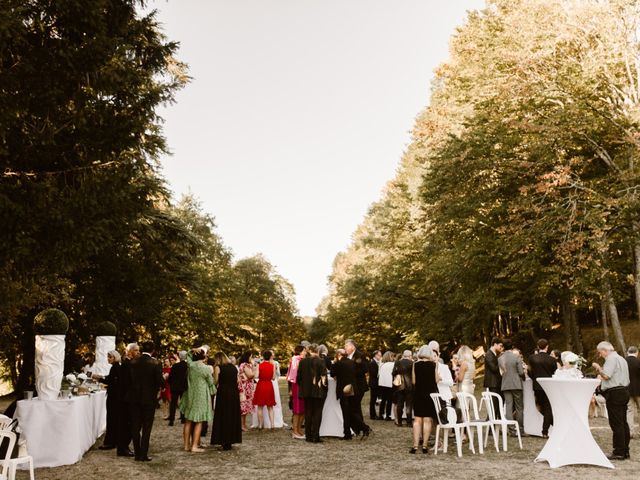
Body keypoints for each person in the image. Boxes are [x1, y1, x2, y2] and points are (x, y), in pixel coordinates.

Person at [592, 341, 631, 460]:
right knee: (623, 423)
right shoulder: (621, 359)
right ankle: (625, 450)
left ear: (604, 350)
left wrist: (598, 368)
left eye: (600, 353)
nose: (600, 355)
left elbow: (606, 376)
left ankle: (618, 452)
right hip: (624, 391)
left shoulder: (611, 359)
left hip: (615, 393)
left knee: (616, 423)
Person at [127, 340, 164, 462]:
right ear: (153, 350)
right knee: (147, 427)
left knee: (135, 426)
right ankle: (143, 453)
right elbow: (160, 381)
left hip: (134, 398)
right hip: (149, 399)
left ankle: (137, 453)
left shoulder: (133, 362)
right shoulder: (155, 363)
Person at [179, 348, 215, 452]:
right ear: (204, 357)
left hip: (190, 394)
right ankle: (194, 446)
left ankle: (186, 446)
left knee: (188, 421)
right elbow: (210, 382)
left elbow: (188, 356)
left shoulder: (191, 366)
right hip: (201, 395)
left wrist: (192, 350)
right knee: (199, 421)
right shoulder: (206, 368)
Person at [410, 345, 440, 454]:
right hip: (429, 395)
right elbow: (436, 380)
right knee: (427, 420)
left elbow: (414, 381)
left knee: (417, 420)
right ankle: (425, 445)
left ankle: (414, 445)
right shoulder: (434, 365)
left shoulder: (415, 365)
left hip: (418, 394)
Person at [331, 348, 366, 440]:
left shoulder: (338, 363)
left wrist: (334, 364)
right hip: (353, 389)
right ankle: (363, 428)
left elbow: (332, 373)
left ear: (338, 355)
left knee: (346, 412)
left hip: (344, 390)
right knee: (353, 411)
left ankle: (349, 433)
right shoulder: (352, 362)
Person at [296, 344, 328, 443]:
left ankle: (308, 436)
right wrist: (325, 389)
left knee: (308, 413)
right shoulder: (321, 361)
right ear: (318, 351)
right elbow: (324, 378)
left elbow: (299, 378)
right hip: (318, 392)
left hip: (306, 391)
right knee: (317, 413)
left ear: (309, 351)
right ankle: (316, 436)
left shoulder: (303, 362)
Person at [211, 351, 242, 450]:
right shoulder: (233, 367)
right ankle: (231, 439)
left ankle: (223, 439)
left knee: (223, 415)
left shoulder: (218, 368)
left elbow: (215, 381)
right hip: (233, 392)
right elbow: (237, 380)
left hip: (223, 393)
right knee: (232, 415)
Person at [92, 350, 122, 451]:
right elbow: (111, 378)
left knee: (111, 419)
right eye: (108, 357)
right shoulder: (116, 367)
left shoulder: (116, 367)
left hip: (114, 397)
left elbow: (110, 380)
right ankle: (115, 441)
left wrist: (99, 378)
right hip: (116, 397)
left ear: (115, 357)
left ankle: (110, 442)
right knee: (114, 419)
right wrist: (101, 377)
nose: (108, 359)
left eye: (110, 357)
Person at [528, 338, 557, 437]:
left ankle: (548, 427)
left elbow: (530, 371)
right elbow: (554, 373)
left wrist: (535, 379)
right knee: (548, 407)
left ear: (537, 347)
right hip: (549, 386)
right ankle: (546, 430)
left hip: (537, 386)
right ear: (547, 347)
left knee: (541, 407)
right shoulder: (552, 360)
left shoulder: (532, 358)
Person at [498, 339, 524, 434]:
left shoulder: (500, 358)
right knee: (519, 407)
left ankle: (511, 430)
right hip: (516, 384)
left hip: (505, 384)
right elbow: (521, 372)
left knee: (508, 406)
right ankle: (520, 429)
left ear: (503, 347)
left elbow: (501, 372)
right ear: (512, 347)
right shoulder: (516, 356)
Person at [345, 339, 370, 436]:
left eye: (346, 346)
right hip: (352, 386)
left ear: (352, 347)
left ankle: (364, 428)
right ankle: (359, 428)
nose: (345, 348)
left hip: (359, 386)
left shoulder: (360, 355)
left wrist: (351, 372)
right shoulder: (347, 356)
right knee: (356, 407)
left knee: (353, 407)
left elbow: (364, 369)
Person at [253, 350, 277, 429]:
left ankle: (260, 425)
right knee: (270, 407)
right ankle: (272, 425)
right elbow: (273, 378)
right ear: (270, 357)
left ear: (263, 357)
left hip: (261, 385)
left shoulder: (259, 365)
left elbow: (256, 376)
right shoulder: (273, 365)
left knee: (260, 407)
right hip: (269, 385)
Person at [287, 345, 306, 439]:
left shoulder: (301, 360)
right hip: (297, 385)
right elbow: (293, 374)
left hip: (303, 386)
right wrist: (290, 389)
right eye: (304, 351)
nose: (305, 352)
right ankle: (295, 431)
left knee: (303, 409)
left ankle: (299, 429)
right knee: (297, 410)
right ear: (300, 351)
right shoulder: (295, 360)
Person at [392, 350, 414, 427]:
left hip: (400, 386)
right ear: (410, 355)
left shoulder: (397, 362)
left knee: (400, 404)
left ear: (403, 355)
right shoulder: (412, 363)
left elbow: (393, 373)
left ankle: (400, 422)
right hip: (409, 386)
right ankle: (409, 422)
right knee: (409, 405)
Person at [484, 337, 504, 419]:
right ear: (495, 344)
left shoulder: (494, 354)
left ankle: (496, 426)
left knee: (498, 405)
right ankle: (490, 427)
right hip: (493, 384)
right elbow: (494, 368)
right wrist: (501, 359)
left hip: (496, 383)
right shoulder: (489, 354)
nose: (501, 348)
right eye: (500, 345)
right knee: (494, 406)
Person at [237, 351, 257, 432]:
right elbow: (250, 375)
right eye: (251, 357)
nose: (252, 358)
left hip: (247, 387)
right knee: (243, 407)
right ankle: (242, 425)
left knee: (246, 407)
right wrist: (255, 368)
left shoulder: (246, 365)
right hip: (245, 388)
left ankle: (244, 424)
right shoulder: (244, 365)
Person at [167, 351, 188, 426]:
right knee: (183, 403)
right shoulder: (187, 366)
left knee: (173, 404)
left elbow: (170, 377)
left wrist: (171, 384)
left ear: (179, 356)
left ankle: (171, 420)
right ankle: (183, 419)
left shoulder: (175, 366)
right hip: (184, 387)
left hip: (175, 387)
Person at [626, 346, 640, 438]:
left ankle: (630, 432)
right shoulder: (639, 362)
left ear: (627, 352)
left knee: (629, 411)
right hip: (639, 390)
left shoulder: (623, 362)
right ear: (637, 352)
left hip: (627, 389)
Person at [377, 351, 395, 420]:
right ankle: (388, 415)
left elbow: (378, 375)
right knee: (389, 400)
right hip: (389, 384)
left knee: (383, 400)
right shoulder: (392, 364)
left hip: (382, 384)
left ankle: (381, 414)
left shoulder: (381, 364)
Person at [368, 350, 382, 420]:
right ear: (375, 355)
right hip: (374, 384)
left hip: (376, 383)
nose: (380, 356)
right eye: (379, 355)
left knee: (374, 400)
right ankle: (372, 415)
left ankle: (374, 414)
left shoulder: (376, 363)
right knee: (373, 400)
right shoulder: (372, 363)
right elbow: (374, 374)